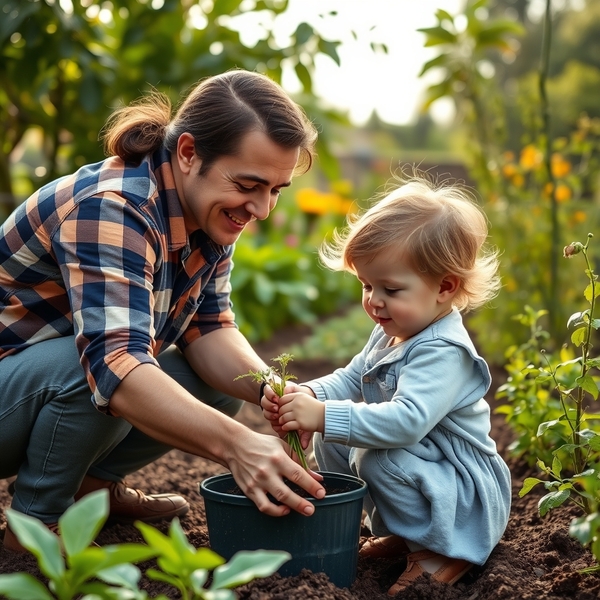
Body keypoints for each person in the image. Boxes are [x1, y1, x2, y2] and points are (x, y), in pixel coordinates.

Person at [0, 69, 327, 553]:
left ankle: (90, 493)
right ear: (189, 152)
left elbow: (211, 327)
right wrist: (239, 446)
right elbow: (116, 365)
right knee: (99, 369)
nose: (261, 209)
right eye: (249, 184)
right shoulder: (112, 208)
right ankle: (33, 532)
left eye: (275, 190)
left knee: (226, 387)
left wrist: (275, 392)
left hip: (30, 389)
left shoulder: (207, 213)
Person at [262, 176, 512, 596]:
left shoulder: (444, 351)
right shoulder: (393, 329)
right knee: (335, 441)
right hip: (429, 470)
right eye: (366, 286)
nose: (373, 301)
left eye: (390, 289)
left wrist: (323, 415)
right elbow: (351, 376)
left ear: (445, 287)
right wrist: (310, 396)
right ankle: (407, 533)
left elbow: (407, 422)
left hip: (463, 491)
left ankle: (441, 550)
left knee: (376, 457)